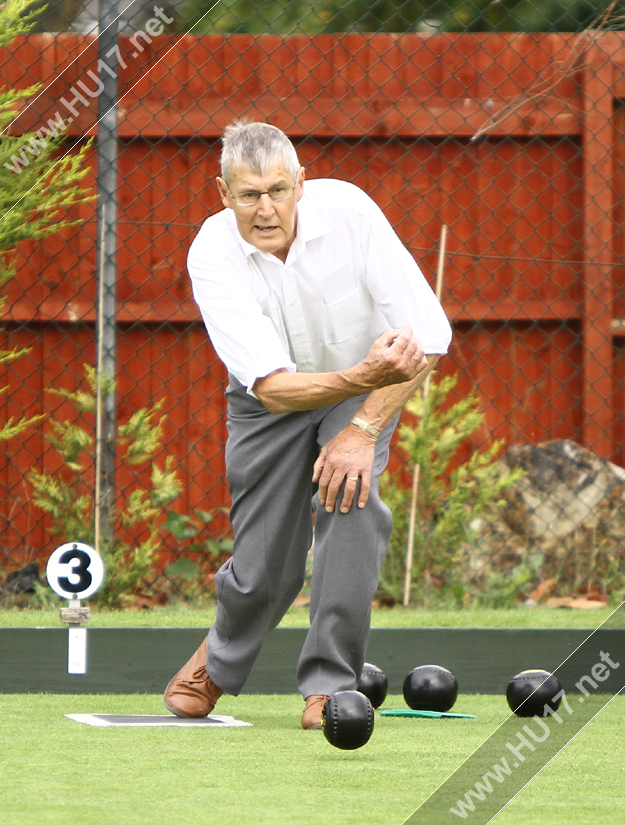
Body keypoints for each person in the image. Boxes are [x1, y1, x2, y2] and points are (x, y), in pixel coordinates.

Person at [163, 120, 452, 730]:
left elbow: (427, 336)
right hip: (276, 399)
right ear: (223, 193)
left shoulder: (350, 213)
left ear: (302, 183)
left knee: (353, 503)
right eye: (248, 195)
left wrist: (362, 430)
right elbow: (270, 388)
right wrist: (362, 376)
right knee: (268, 562)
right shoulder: (212, 255)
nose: (266, 209)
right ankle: (217, 660)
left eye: (277, 190)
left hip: (366, 388)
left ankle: (331, 686)